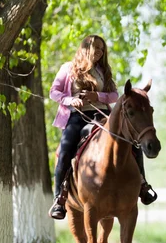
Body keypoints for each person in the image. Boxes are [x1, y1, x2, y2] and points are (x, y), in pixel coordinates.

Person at [48, 35, 157, 219]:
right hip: (78, 117)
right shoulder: (68, 68)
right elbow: (54, 92)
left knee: (133, 143)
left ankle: (143, 185)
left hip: (102, 116)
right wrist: (71, 100)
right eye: (96, 47)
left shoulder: (103, 71)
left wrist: (97, 97)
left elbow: (114, 95)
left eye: (102, 49)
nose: (99, 52)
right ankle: (60, 197)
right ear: (85, 47)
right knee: (66, 150)